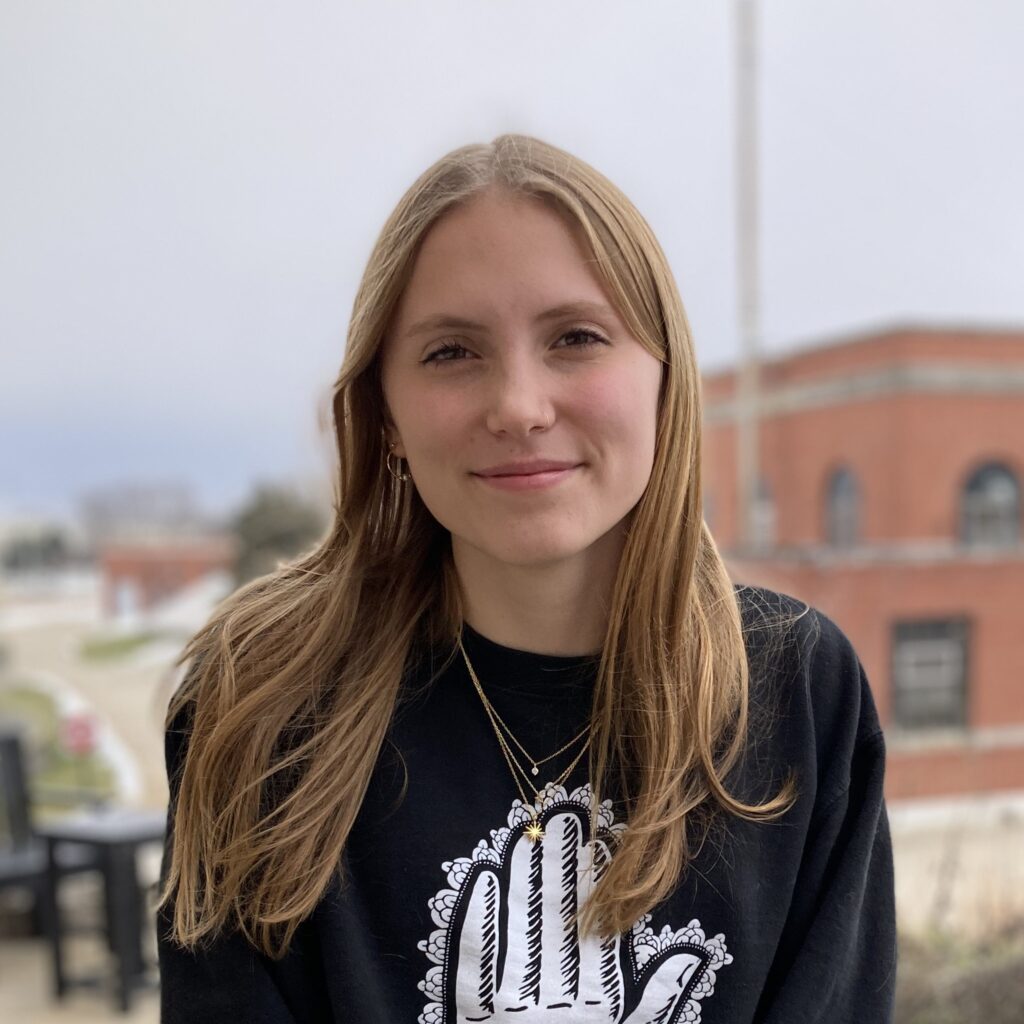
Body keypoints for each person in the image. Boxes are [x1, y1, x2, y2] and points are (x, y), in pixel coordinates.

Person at [157, 134, 896, 1023]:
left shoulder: (801, 692)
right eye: (451, 353)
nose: (517, 406)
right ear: (384, 412)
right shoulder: (260, 709)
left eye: (577, 338)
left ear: (666, 381)